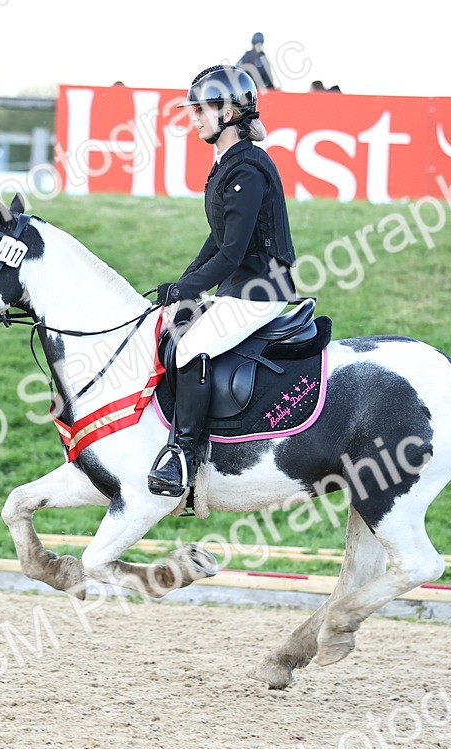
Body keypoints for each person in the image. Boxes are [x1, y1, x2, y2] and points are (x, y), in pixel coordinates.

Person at [147, 65, 297, 497]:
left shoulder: (247, 168)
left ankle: (184, 455)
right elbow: (218, 238)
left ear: (228, 112)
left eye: (200, 110)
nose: (193, 119)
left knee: (193, 345)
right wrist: (183, 284)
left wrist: (188, 290)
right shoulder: (228, 162)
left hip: (260, 290)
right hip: (239, 287)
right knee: (173, 329)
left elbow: (233, 252)